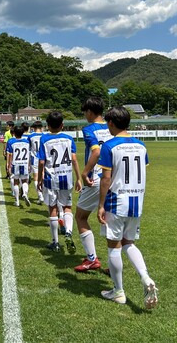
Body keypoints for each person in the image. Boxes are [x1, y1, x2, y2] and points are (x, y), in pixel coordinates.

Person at [97, 106, 158, 309]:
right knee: (128, 243)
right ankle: (146, 278)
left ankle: (118, 291)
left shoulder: (109, 146)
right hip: (136, 201)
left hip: (116, 201)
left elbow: (106, 179)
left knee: (113, 246)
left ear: (111, 123)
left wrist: (100, 205)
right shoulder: (141, 146)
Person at [74, 97, 113, 273]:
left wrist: (84, 172)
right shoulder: (112, 126)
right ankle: (113, 266)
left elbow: (96, 151)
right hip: (113, 178)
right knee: (110, 222)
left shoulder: (89, 129)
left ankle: (92, 259)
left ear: (89, 111)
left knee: (81, 217)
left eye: (85, 112)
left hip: (96, 178)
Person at [37, 111, 82, 253]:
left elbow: (41, 161)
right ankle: (68, 232)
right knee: (67, 206)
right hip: (67, 177)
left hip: (51, 178)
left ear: (48, 125)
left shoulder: (44, 139)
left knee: (53, 208)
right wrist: (79, 178)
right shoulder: (69, 139)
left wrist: (39, 178)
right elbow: (74, 159)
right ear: (62, 125)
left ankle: (55, 242)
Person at [6, 125, 31, 207]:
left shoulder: (11, 142)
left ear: (14, 133)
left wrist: (8, 165)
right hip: (24, 163)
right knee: (25, 181)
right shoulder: (27, 142)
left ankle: (17, 201)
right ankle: (25, 193)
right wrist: (29, 164)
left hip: (15, 163)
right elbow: (29, 154)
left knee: (16, 182)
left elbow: (9, 154)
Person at [27, 121, 45, 205]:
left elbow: (29, 149)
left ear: (33, 128)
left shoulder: (30, 136)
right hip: (44, 158)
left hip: (35, 158)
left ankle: (40, 196)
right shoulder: (45, 136)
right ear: (41, 127)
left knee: (36, 177)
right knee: (44, 176)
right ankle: (44, 195)